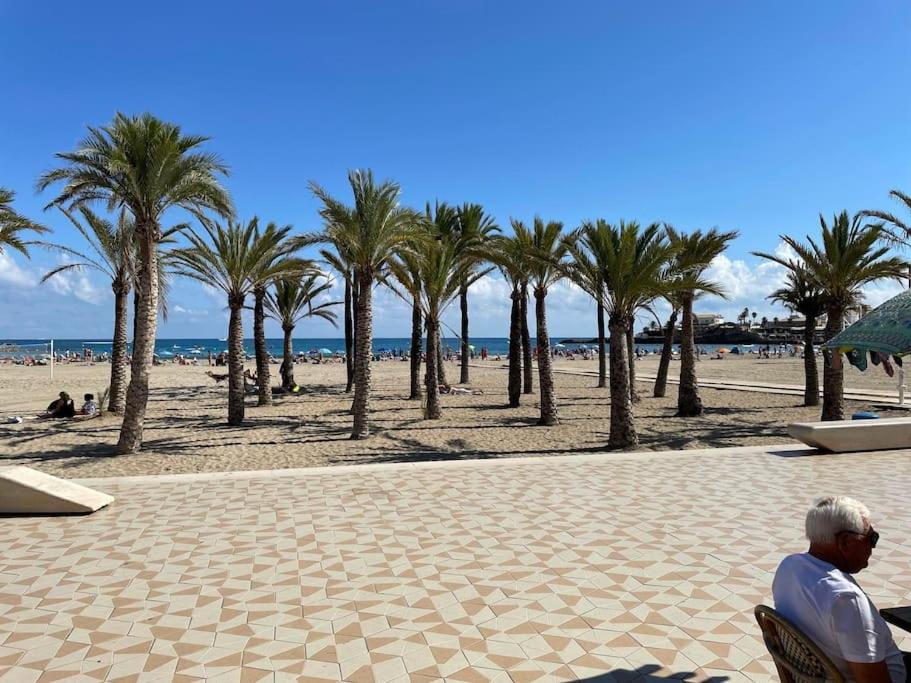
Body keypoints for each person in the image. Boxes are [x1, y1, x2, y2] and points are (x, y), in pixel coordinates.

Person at [773, 496, 909, 683]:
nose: (873, 547)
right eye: (872, 538)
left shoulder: (788, 566)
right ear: (845, 542)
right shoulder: (846, 599)